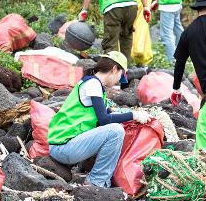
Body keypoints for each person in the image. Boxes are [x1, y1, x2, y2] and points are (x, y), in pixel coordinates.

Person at [47, 51, 151, 187]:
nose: (119, 80)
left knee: (114, 129)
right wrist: (133, 115)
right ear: (114, 69)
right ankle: (96, 182)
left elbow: (108, 113)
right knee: (115, 131)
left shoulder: (93, 84)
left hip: (65, 145)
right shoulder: (93, 84)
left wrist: (131, 113)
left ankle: (98, 178)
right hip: (64, 147)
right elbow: (104, 119)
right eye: (120, 75)